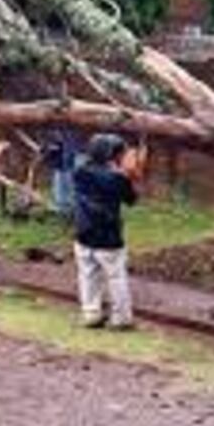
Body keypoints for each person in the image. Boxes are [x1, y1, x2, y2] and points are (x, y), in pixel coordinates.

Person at [72, 133, 146, 329]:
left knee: (88, 275)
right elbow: (132, 200)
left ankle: (91, 314)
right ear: (111, 155)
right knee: (116, 276)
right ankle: (121, 318)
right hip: (108, 235)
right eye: (119, 153)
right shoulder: (117, 178)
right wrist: (134, 175)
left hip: (83, 231)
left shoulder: (79, 170)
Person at [41, 129, 79, 218]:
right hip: (62, 162)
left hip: (70, 159)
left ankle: (68, 208)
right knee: (62, 177)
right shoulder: (55, 130)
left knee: (69, 179)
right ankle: (64, 208)